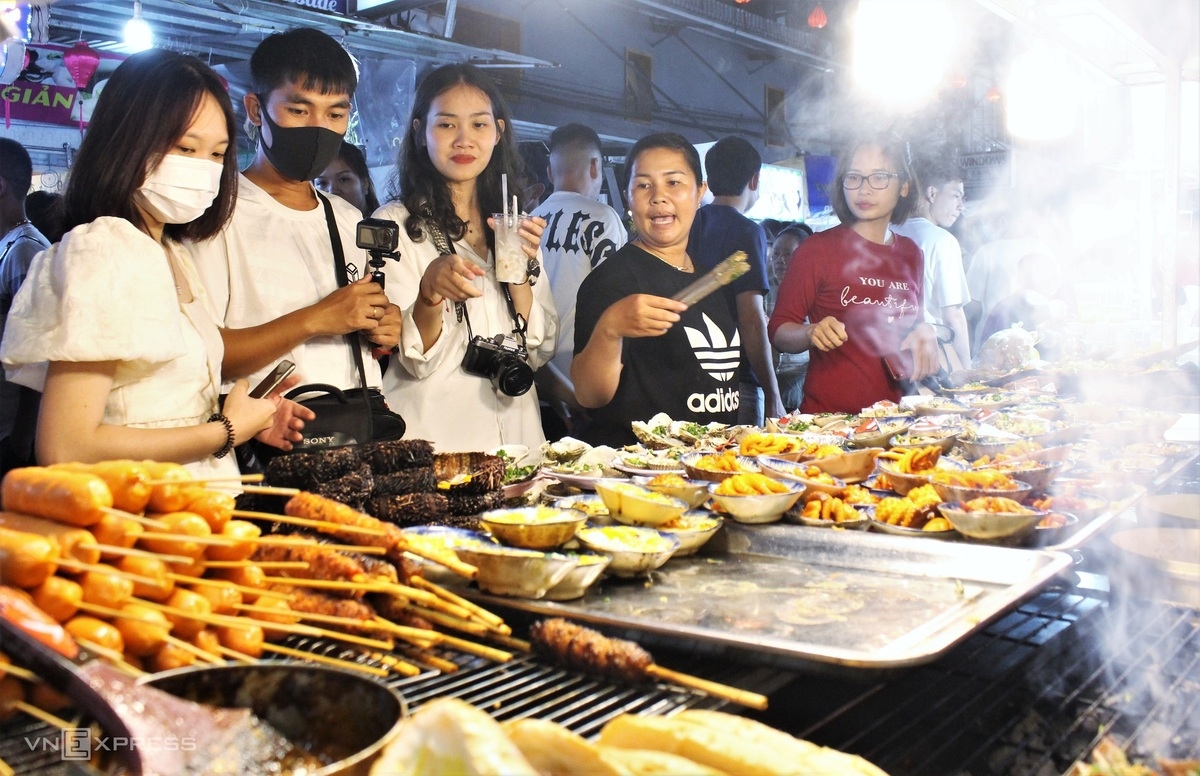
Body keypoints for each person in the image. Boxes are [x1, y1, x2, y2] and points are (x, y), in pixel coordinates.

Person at [0, 50, 301, 476]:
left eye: (217, 154)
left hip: (195, 511)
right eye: (185, 147)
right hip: (140, 519)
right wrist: (225, 430)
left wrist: (245, 418)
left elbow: (149, 407)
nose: (204, 169)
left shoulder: (169, 250)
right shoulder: (104, 250)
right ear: (128, 140)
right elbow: (67, 445)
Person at [188, 28, 403, 440]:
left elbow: (359, 330)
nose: (319, 128)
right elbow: (202, 353)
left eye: (336, 114)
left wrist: (382, 326)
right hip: (266, 435)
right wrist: (317, 318)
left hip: (356, 427)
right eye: (300, 111)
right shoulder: (215, 212)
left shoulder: (344, 216)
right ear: (256, 109)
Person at [375, 63, 555, 451]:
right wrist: (429, 294)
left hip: (520, 442)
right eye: (446, 125)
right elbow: (413, 357)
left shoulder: (515, 225)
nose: (464, 140)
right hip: (437, 440)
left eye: (478, 124)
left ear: (498, 133)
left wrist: (520, 272)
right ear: (420, 132)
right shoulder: (396, 225)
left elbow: (538, 349)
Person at [573, 132, 740, 447]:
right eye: (643, 185)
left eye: (674, 183)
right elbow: (589, 395)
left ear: (700, 191)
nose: (658, 196)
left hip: (711, 465)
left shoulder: (712, 279)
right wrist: (610, 328)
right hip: (641, 473)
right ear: (628, 197)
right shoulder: (612, 280)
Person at [768, 134, 938, 414]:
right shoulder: (816, 250)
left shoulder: (911, 253)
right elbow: (779, 330)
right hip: (831, 423)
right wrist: (810, 332)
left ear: (904, 187)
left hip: (896, 419)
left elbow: (912, 321)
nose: (864, 189)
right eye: (854, 177)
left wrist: (925, 330)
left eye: (879, 177)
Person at [530, 123, 628, 437]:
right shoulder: (602, 217)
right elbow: (617, 300)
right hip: (586, 381)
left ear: (549, 171)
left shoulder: (527, 224)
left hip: (536, 379)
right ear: (596, 166)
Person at [689, 136, 783, 425]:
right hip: (734, 381)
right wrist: (773, 395)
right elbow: (751, 319)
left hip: (688, 377)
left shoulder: (689, 224)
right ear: (754, 180)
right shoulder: (747, 232)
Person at [891, 153, 971, 366]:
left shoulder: (887, 232)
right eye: (956, 195)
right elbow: (953, 314)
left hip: (888, 354)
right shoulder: (942, 241)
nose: (961, 205)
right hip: (928, 357)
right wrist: (966, 369)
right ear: (933, 193)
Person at [0, 139, 50, 473]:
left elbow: (38, 351)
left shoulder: (26, 251)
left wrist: (23, 435)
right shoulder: (10, 245)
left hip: (10, 431)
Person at [766, 225, 810, 412]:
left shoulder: (813, 289)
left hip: (801, 378)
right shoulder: (763, 289)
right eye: (775, 254)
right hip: (768, 377)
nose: (780, 261)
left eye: (787, 254)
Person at [314, 141, 380, 217]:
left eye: (343, 179)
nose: (332, 191)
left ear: (364, 183)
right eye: (322, 183)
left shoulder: (388, 220)